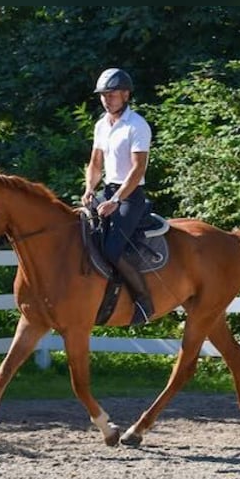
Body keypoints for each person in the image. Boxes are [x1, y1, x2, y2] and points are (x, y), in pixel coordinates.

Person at [82, 67, 154, 324]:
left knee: (112, 249)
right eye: (103, 95)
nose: (106, 99)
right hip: (107, 190)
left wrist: (115, 201)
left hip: (130, 195)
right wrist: (90, 188)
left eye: (111, 94)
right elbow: (95, 163)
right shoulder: (101, 125)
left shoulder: (137, 126)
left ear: (126, 94)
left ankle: (144, 302)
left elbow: (138, 169)